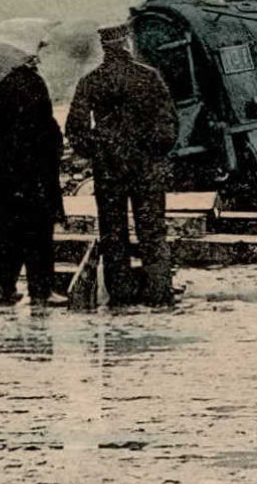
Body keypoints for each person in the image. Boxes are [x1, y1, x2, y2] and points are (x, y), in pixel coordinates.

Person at [66, 24, 179, 307]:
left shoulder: (91, 81)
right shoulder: (148, 77)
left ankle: (121, 298)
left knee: (113, 234)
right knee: (153, 232)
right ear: (127, 42)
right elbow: (169, 125)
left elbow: (75, 129)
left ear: (105, 47)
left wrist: (99, 149)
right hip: (146, 168)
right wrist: (153, 151)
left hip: (109, 169)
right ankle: (159, 295)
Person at [0, 57, 65, 307]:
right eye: (34, 55)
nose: (38, 58)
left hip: (6, 168)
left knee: (7, 232)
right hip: (34, 167)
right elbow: (45, 124)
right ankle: (41, 290)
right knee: (39, 230)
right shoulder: (32, 81)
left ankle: (4, 289)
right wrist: (57, 144)